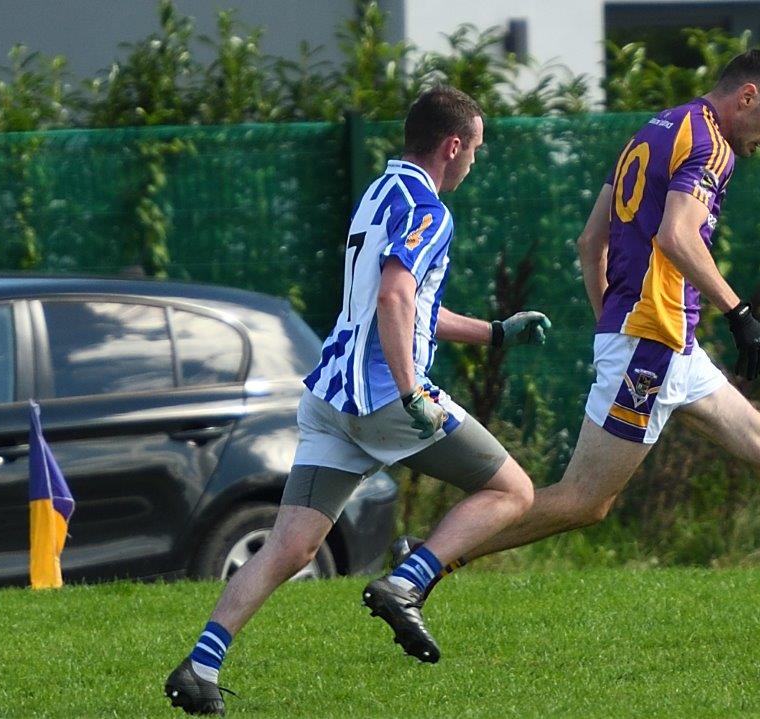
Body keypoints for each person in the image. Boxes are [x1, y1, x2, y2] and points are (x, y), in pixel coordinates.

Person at [407, 49, 760, 606]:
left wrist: (612, 325)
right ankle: (429, 558)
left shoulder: (654, 130)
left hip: (661, 340)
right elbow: (678, 234)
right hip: (654, 340)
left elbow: (589, 243)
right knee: (583, 501)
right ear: (747, 97)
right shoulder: (712, 144)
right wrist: (738, 313)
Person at [164, 85, 551, 715]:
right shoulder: (430, 209)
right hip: (382, 398)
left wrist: (495, 331)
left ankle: (200, 665)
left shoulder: (378, 194)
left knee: (292, 544)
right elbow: (396, 300)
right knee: (514, 491)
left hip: (329, 396)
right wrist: (411, 392)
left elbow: (409, 304)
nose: (476, 161)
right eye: (475, 148)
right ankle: (407, 582)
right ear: (452, 147)